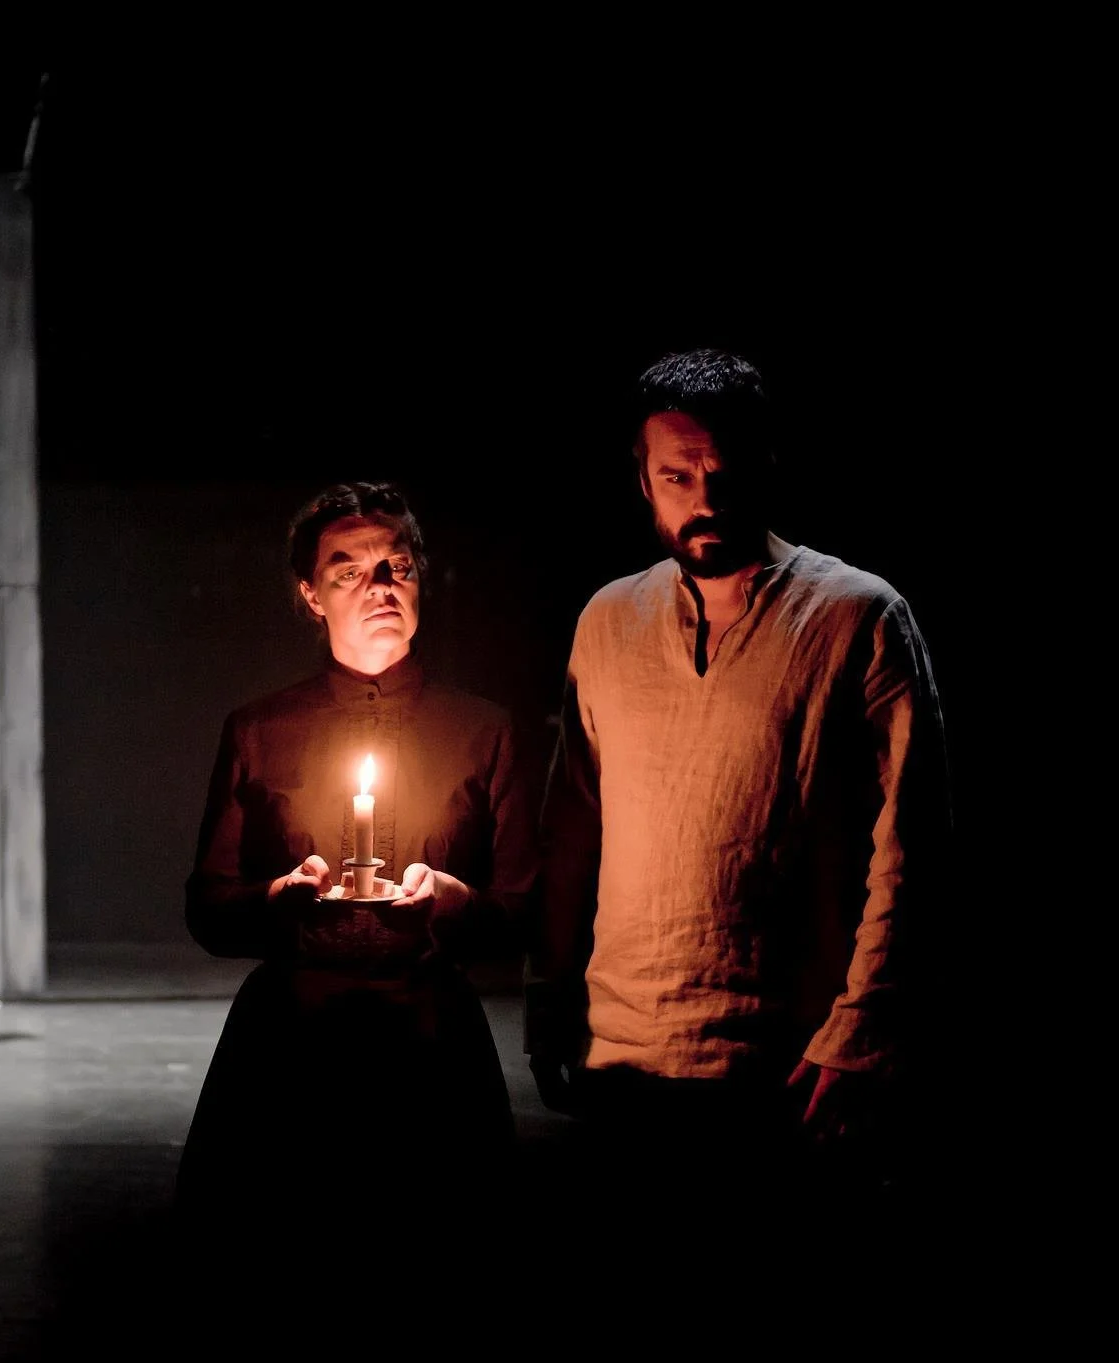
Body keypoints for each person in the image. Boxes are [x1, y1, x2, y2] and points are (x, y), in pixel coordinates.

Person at [524, 348, 956, 1312]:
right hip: (624, 1063)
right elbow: (571, 826)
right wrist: (549, 993)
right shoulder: (607, 621)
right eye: (677, 476)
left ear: (767, 463)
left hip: (787, 1071)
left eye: (722, 471)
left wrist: (859, 1033)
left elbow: (912, 851)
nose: (703, 498)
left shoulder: (858, 616)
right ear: (643, 480)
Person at [172, 480, 539, 1315]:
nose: (381, 586)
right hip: (291, 1049)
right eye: (350, 570)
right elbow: (208, 906)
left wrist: (455, 900)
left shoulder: (482, 730)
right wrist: (279, 895)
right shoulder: (259, 729)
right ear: (310, 593)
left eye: (396, 566)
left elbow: (525, 907)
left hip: (430, 1046)